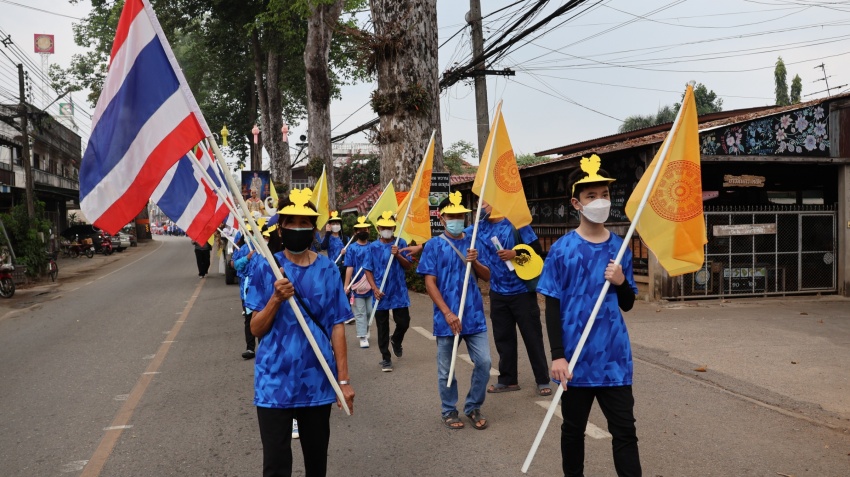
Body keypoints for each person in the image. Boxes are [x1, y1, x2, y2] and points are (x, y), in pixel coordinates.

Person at [536, 155, 641, 477]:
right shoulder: (562, 249)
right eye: (591, 195)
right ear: (576, 203)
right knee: (572, 430)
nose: (600, 201)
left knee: (625, 431)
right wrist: (557, 356)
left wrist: (621, 282)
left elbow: (627, 304)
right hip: (574, 359)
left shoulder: (621, 248)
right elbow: (552, 304)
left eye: (605, 194)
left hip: (613, 358)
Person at [244, 190, 355, 477]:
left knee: (317, 464)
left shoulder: (328, 270)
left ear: (314, 228)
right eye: (290, 223)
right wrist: (275, 299)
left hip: (317, 380)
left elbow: (337, 326)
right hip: (273, 383)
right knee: (276, 466)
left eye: (304, 223)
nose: (297, 228)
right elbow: (256, 328)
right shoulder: (265, 267)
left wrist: (343, 381)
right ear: (280, 229)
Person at [417, 191, 492, 430]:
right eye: (452, 216)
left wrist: (475, 261)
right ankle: (449, 410)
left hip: (474, 315)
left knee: (484, 363)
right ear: (442, 218)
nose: (457, 220)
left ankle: (473, 406)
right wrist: (447, 313)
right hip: (446, 318)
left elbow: (487, 276)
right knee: (446, 369)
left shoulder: (473, 242)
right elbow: (429, 282)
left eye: (460, 216)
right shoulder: (433, 245)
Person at [467, 200, 552, 396]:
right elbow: (456, 237)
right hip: (497, 292)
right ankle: (508, 380)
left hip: (522, 292)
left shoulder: (516, 222)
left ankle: (542, 380)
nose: (482, 205)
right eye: (480, 202)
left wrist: (515, 252)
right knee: (503, 339)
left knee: (532, 337)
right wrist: (420, 247)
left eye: (486, 201)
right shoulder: (478, 228)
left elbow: (537, 250)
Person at [364, 211, 414, 372]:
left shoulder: (401, 242)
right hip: (380, 292)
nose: (387, 230)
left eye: (390, 227)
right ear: (378, 228)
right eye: (384, 227)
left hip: (398, 291)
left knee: (404, 322)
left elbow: (408, 265)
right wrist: (374, 288)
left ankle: (396, 340)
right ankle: (386, 358)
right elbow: (367, 270)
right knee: (382, 327)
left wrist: (398, 254)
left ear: (394, 228)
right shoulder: (372, 247)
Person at [343, 217, 373, 348]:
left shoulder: (373, 247)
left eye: (365, 229)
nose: (363, 232)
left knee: (370, 311)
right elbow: (349, 266)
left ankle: (366, 329)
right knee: (360, 312)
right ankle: (362, 336)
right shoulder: (352, 248)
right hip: (357, 286)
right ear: (355, 232)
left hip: (371, 285)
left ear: (368, 230)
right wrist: (346, 285)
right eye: (360, 230)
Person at [320, 211, 348, 279]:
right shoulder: (327, 238)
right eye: (333, 224)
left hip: (344, 268)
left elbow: (350, 251)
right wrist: (327, 233)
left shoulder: (345, 238)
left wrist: (345, 252)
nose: (335, 225)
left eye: (337, 223)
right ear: (329, 225)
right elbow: (323, 247)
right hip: (332, 267)